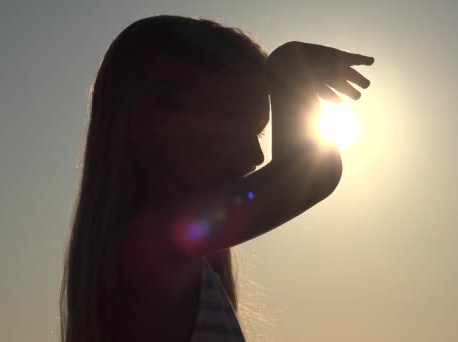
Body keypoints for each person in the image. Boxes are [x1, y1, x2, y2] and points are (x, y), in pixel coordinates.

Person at [60, 14, 374, 342]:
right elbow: (308, 175)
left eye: (258, 133)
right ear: (150, 124)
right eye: (234, 122)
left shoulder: (158, 251)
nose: (256, 156)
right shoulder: (152, 246)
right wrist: (291, 72)